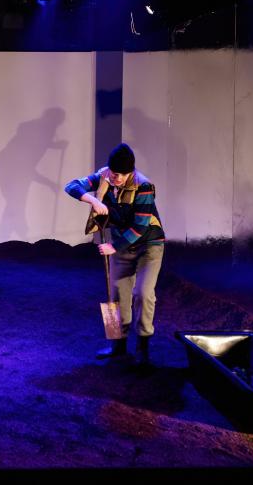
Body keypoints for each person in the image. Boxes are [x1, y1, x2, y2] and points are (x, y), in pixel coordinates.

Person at [64, 143, 165, 365]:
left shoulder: (144, 186)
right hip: (121, 245)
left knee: (143, 294)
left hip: (149, 245)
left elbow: (140, 227)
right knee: (116, 294)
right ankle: (117, 345)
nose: (115, 178)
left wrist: (114, 247)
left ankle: (143, 347)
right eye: (113, 172)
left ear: (130, 173)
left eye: (121, 174)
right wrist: (93, 200)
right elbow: (71, 186)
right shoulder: (104, 176)